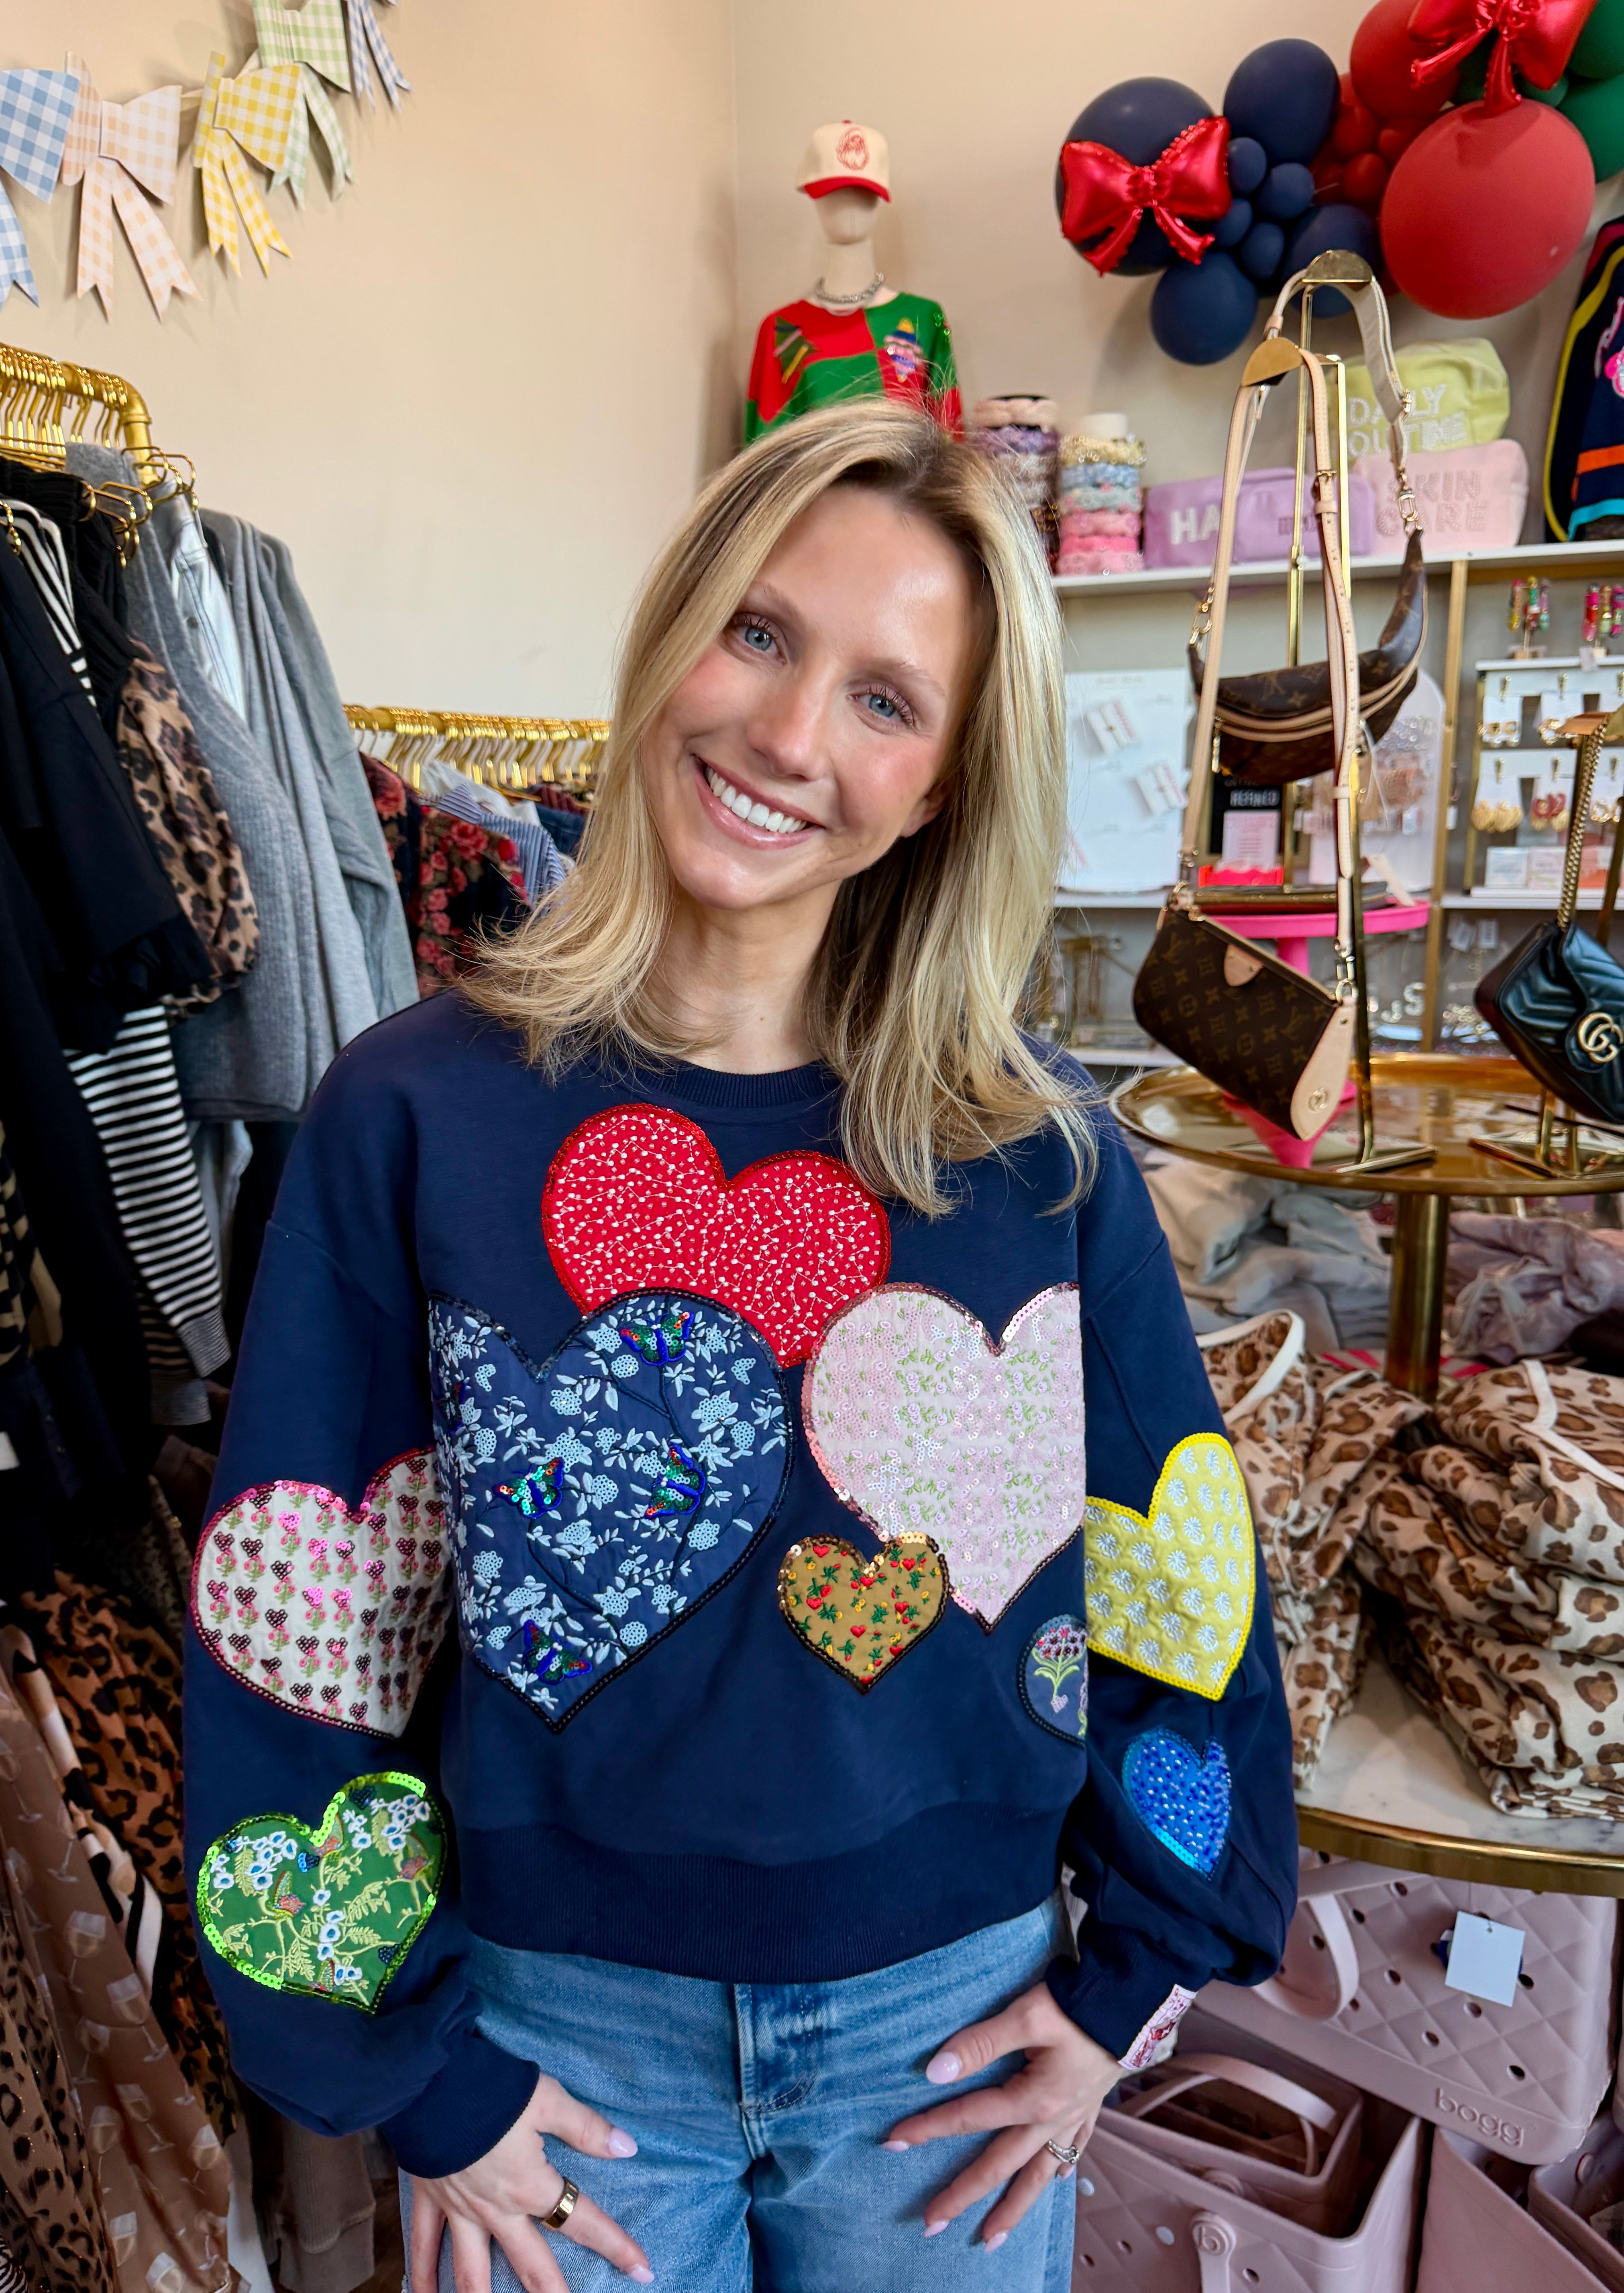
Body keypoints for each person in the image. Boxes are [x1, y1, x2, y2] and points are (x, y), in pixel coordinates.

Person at [183, 401, 1297, 2293]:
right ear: (672, 633)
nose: (789, 738)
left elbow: (1173, 1571)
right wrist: (410, 2065)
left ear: (945, 783)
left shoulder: (1033, 1157)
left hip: (948, 2038)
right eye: (763, 635)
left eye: (886, 699)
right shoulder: (413, 1115)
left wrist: (1137, 1979)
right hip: (555, 2043)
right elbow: (304, 1601)